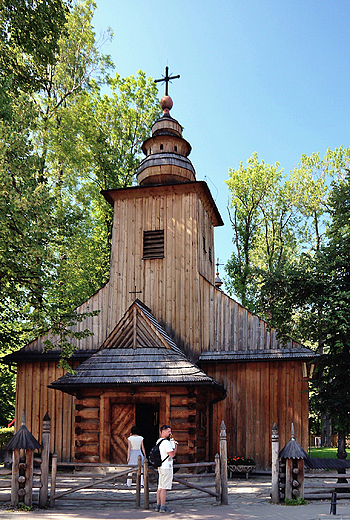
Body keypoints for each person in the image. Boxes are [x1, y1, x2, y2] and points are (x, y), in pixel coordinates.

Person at [155, 424, 178, 514]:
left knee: (160, 487)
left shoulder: (158, 441)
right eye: (168, 431)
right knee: (164, 488)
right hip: (166, 467)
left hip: (161, 466)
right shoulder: (166, 442)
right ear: (163, 432)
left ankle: (158, 505)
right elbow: (172, 454)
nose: (170, 433)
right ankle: (163, 506)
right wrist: (175, 446)